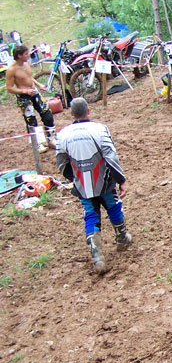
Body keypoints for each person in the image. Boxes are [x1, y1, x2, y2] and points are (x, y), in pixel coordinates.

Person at [56, 98, 132, 274]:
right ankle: (122, 238)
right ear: (88, 111)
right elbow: (111, 157)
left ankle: (97, 254)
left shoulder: (62, 135)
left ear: (71, 113)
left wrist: (74, 177)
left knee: (90, 213)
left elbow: (61, 163)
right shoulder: (100, 129)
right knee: (113, 205)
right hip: (103, 179)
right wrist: (121, 179)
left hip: (82, 182)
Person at [5, 45, 56, 153]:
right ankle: (37, 144)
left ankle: (51, 139)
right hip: (23, 96)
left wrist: (38, 85)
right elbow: (9, 88)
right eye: (26, 54)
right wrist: (25, 91)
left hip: (34, 92)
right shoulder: (11, 70)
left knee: (47, 114)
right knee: (31, 121)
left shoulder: (26, 64)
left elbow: (28, 77)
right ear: (19, 55)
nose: (28, 55)